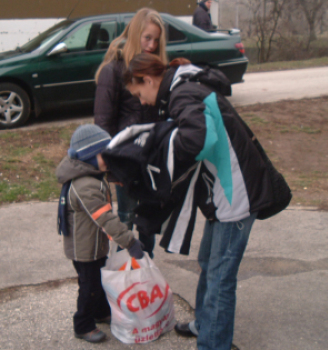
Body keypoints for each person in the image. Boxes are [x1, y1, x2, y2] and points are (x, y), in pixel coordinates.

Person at [123, 53, 276, 350]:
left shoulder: (182, 94)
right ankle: (205, 324)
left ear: (149, 80)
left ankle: (213, 343)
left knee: (220, 277)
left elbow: (198, 140)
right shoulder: (184, 88)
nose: (142, 102)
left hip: (236, 196)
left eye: (139, 94)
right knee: (209, 262)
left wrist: (158, 150)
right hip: (223, 193)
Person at [56, 124, 144, 343]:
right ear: (89, 156)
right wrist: (129, 241)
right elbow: (105, 218)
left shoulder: (91, 174)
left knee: (98, 281)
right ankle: (83, 324)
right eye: (106, 154)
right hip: (84, 250)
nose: (111, 158)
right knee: (89, 286)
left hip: (94, 245)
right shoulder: (85, 185)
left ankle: (100, 311)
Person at [94, 8, 168, 258]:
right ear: (136, 35)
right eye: (147, 37)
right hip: (126, 160)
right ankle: (125, 271)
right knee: (125, 220)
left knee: (149, 220)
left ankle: (145, 272)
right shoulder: (113, 70)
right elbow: (103, 123)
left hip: (152, 159)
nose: (152, 44)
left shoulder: (155, 70)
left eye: (156, 40)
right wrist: (113, 165)